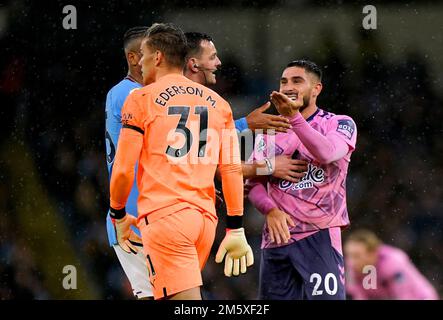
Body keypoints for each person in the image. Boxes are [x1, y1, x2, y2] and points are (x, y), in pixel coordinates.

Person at [109, 23, 254, 300]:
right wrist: (235, 226)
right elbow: (231, 169)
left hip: (166, 218)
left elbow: (124, 169)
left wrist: (118, 213)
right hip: (204, 220)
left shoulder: (141, 99)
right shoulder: (219, 104)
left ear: (158, 57)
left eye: (143, 53)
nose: (140, 61)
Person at [246, 60, 357, 300]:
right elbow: (252, 184)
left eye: (297, 81)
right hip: (276, 240)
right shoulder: (269, 132)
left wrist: (295, 118)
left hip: (319, 235)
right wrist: (271, 210)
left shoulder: (338, 123)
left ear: (316, 89)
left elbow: (326, 153)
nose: (288, 87)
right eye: (284, 81)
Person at [183, 32, 308, 182]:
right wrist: (246, 126)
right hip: (178, 203)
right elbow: (193, 148)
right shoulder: (184, 101)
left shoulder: (203, 101)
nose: (218, 62)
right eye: (212, 57)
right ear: (193, 64)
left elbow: (208, 164)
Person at [104, 26, 152, 299]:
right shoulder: (127, 94)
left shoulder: (143, 94)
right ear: (133, 58)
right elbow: (178, 139)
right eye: (152, 53)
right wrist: (240, 125)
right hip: (132, 215)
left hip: (150, 213)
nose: (160, 59)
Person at [344, 229, 438, 300]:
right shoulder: (351, 269)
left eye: (356, 256)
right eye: (348, 255)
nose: (350, 261)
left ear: (372, 254)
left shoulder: (393, 262)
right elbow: (358, 295)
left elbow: (404, 295)